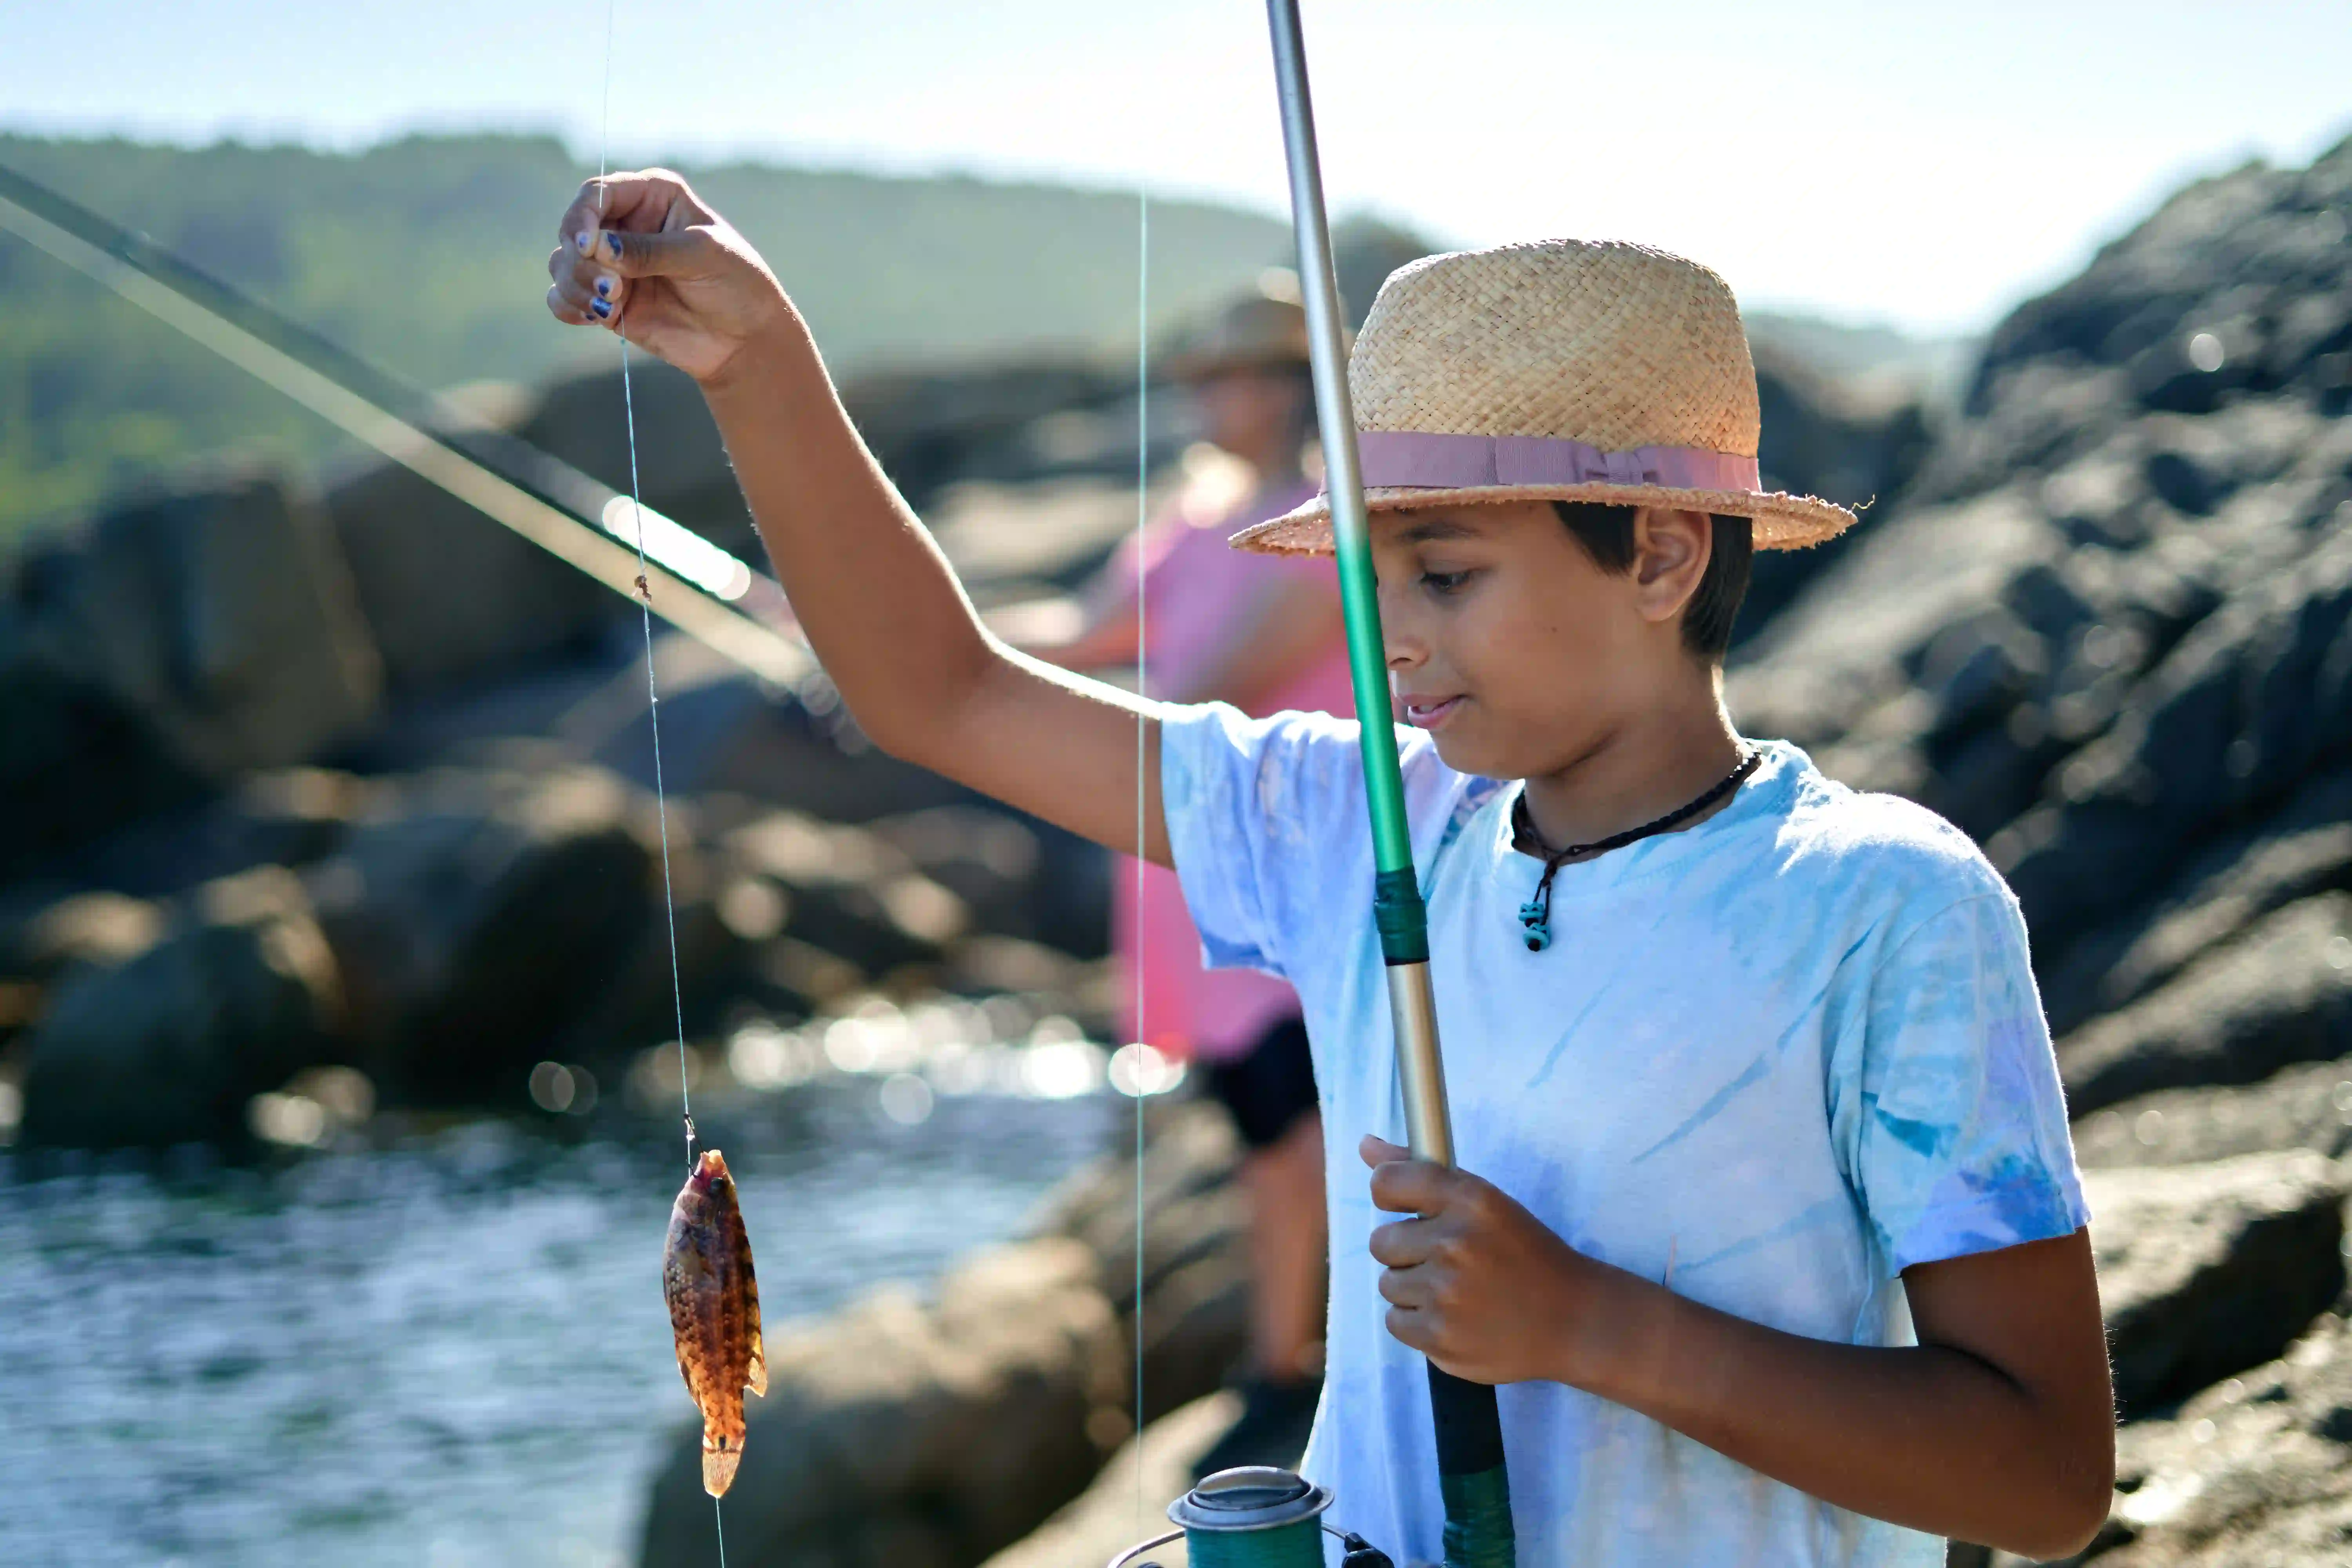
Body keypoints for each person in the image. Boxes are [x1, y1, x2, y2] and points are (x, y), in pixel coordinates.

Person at [546, 180, 2116, 1566]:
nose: (1390, 636)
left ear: (1657, 552)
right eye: (1372, 578)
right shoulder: (1358, 816)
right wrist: (755, 362)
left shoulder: (1888, 905)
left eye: (1444, 572)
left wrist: (1590, 1327)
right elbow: (939, 693)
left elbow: (2043, 1477)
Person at [1024, 278, 1349, 1474]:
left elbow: (1204, 683)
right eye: (1209, 374)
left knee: (1297, 1131)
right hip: (1189, 889)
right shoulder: (1179, 527)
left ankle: (1292, 1369)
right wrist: (833, 617)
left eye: (1244, 373)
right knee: (1265, 1127)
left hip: (1287, 886)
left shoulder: (1326, 522)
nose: (1218, 396)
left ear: (1293, 387)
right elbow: (1067, 642)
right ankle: (1284, 1362)